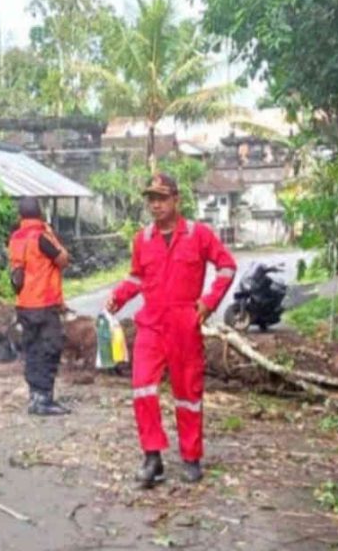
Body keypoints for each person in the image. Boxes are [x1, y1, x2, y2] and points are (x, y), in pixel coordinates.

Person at [107, 173, 237, 489]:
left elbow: (227, 266)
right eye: (151, 199)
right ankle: (152, 457)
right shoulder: (143, 239)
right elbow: (137, 277)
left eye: (162, 198)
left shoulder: (198, 234)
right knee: (142, 387)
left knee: (187, 392)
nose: (156, 204)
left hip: (184, 323)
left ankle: (191, 456)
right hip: (151, 323)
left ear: (176, 200)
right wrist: (118, 297)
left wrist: (208, 302)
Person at [8, 197, 71, 416]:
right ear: (40, 213)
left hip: (24, 304)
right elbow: (62, 259)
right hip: (44, 303)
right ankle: (44, 399)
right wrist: (52, 234)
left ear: (21, 216)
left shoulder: (15, 237)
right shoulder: (42, 237)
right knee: (49, 348)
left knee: (32, 349)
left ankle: (34, 395)